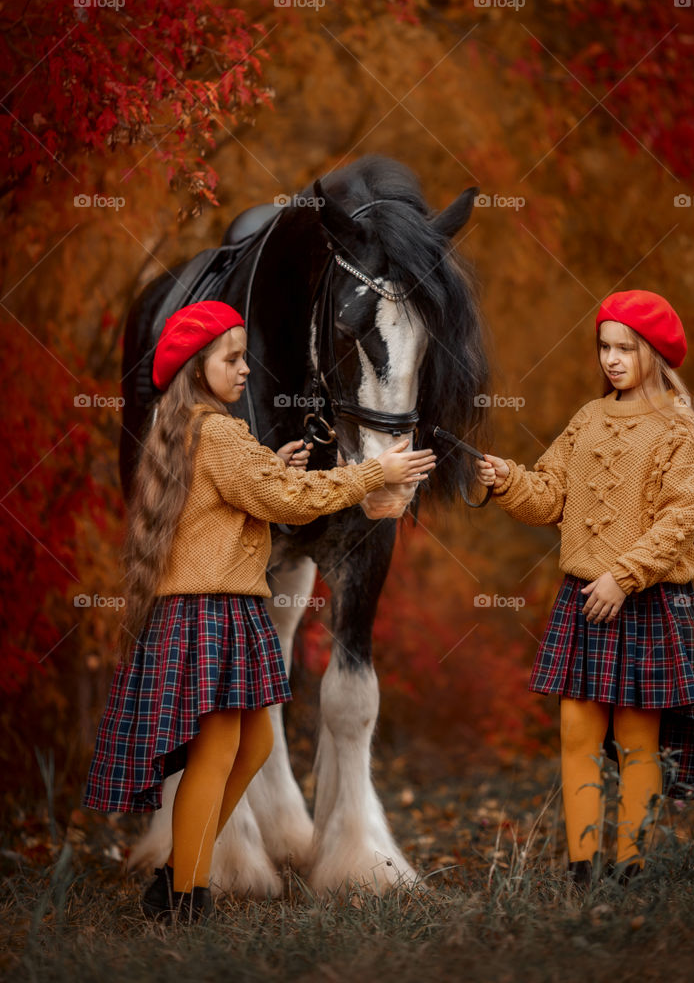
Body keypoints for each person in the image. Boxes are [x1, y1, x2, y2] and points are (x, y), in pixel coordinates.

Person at [81, 299, 435, 924]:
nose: (245, 369)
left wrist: (271, 468)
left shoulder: (196, 430)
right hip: (211, 612)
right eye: (232, 358)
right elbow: (286, 504)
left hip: (223, 609)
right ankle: (185, 894)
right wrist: (370, 472)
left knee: (255, 744)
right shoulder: (217, 433)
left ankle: (178, 870)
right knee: (218, 754)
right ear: (198, 367)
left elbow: (238, 498)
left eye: (245, 357)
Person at [474, 289, 694, 891]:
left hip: (644, 600)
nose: (611, 360)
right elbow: (549, 497)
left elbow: (678, 521)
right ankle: (582, 870)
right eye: (604, 347)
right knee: (576, 733)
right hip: (583, 598)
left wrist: (624, 576)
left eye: (625, 349)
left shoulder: (676, 428)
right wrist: (508, 479)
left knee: (637, 739)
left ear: (654, 353)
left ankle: (631, 869)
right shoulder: (588, 418)